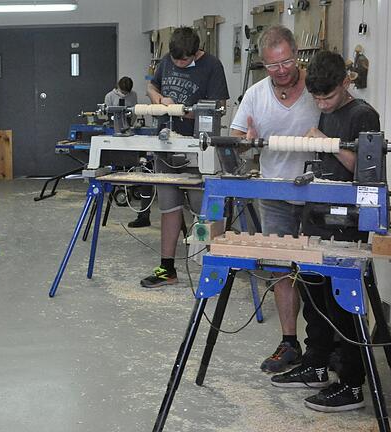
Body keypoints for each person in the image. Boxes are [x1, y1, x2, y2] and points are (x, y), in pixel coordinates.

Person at [270, 50, 379, 412]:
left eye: (327, 97)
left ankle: (351, 384)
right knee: (314, 300)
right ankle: (316, 365)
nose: (322, 103)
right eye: (316, 98)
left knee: (343, 306)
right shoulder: (326, 111)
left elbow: (366, 173)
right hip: (317, 217)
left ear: (345, 84)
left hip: (345, 224)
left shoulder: (363, 115)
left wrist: (325, 141)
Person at [230, 25, 320, 373]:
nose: (281, 71)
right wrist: (247, 140)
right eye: (272, 65)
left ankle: (324, 346)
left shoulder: (315, 89)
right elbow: (236, 137)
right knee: (280, 269)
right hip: (274, 192)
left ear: (297, 55)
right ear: (262, 64)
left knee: (317, 271)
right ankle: (289, 342)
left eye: (286, 62)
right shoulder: (255, 94)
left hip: (317, 193)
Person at [140, 27, 229, 287]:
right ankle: (167, 269)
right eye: (176, 60)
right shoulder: (168, 60)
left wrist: (182, 110)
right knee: (169, 208)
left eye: (184, 61)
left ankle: (214, 266)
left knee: (206, 210)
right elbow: (151, 85)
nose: (178, 64)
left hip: (197, 147)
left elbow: (219, 107)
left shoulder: (212, 66)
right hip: (167, 145)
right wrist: (158, 99)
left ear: (196, 52)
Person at [104, 76, 152, 228]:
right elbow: (108, 114)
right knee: (119, 168)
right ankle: (120, 186)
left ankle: (144, 213)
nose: (125, 95)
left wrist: (131, 122)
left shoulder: (134, 95)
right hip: (117, 133)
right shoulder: (110, 96)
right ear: (118, 87)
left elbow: (135, 111)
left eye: (127, 92)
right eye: (123, 92)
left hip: (131, 132)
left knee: (145, 171)